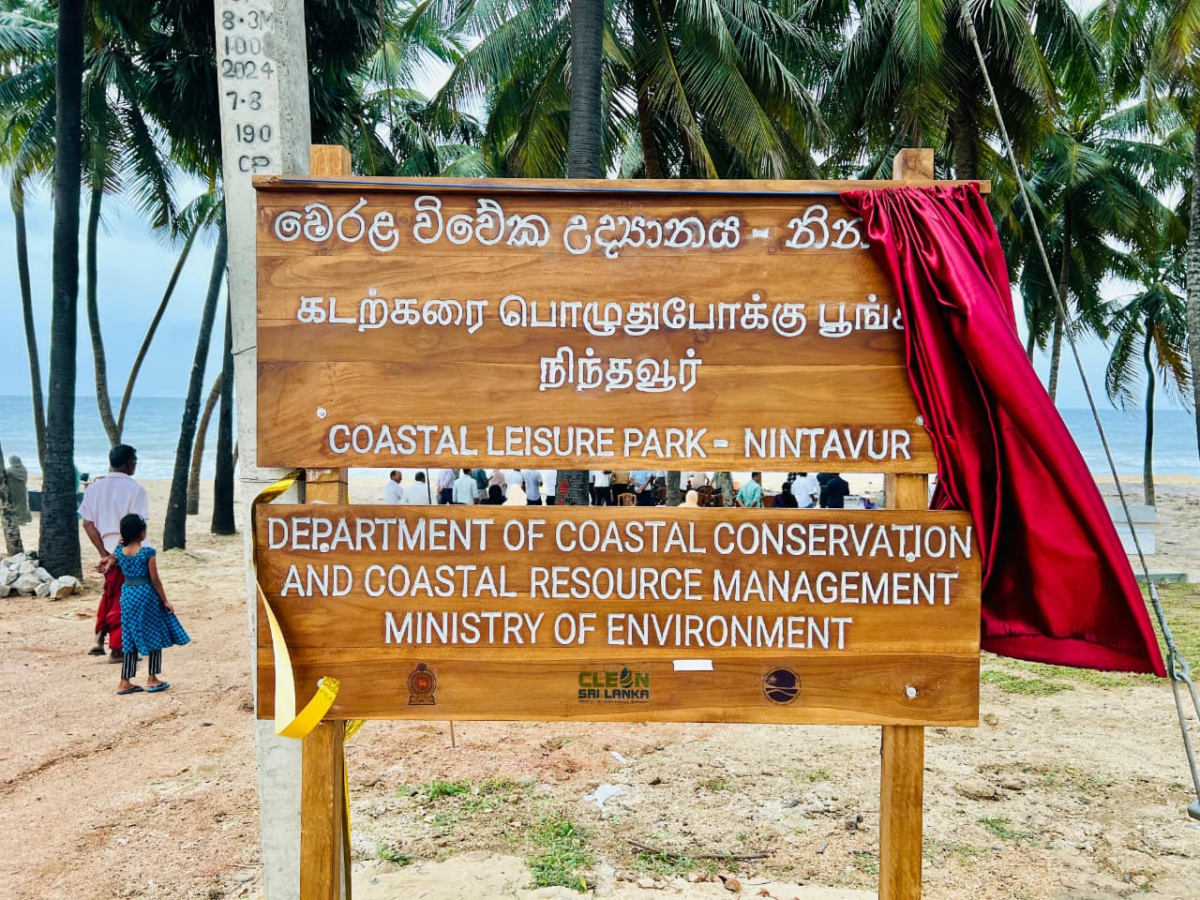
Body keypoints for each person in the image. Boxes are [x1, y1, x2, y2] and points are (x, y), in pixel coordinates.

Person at [79, 445, 149, 661]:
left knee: (110, 594)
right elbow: (134, 528)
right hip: (129, 552)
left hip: (108, 549)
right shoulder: (135, 490)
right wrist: (118, 555)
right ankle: (118, 649)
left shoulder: (93, 489)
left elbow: (88, 524)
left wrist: (105, 553)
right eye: (135, 461)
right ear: (129, 463)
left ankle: (99, 639)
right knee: (125, 599)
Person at [113, 514, 189, 695]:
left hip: (128, 595)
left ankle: (125, 681)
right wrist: (165, 600)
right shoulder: (147, 552)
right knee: (153, 633)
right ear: (141, 533)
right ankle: (152, 678)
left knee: (129, 636)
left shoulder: (119, 551)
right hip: (146, 595)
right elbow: (155, 579)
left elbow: (118, 548)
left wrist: (120, 540)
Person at [5, 456, 31, 525]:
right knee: (22, 504)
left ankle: (16, 519)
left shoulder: (9, 470)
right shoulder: (24, 468)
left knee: (14, 504)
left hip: (13, 490)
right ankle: (23, 520)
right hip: (23, 489)